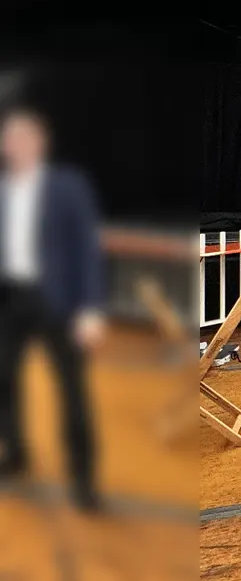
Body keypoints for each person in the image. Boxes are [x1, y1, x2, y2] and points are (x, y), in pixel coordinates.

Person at [0, 107, 104, 511]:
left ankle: (83, 481)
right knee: (4, 380)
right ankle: (17, 452)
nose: (18, 145)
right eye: (11, 138)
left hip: (60, 301)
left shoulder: (68, 185)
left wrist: (91, 309)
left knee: (72, 391)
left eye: (26, 137)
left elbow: (87, 249)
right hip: (9, 299)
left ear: (41, 142)